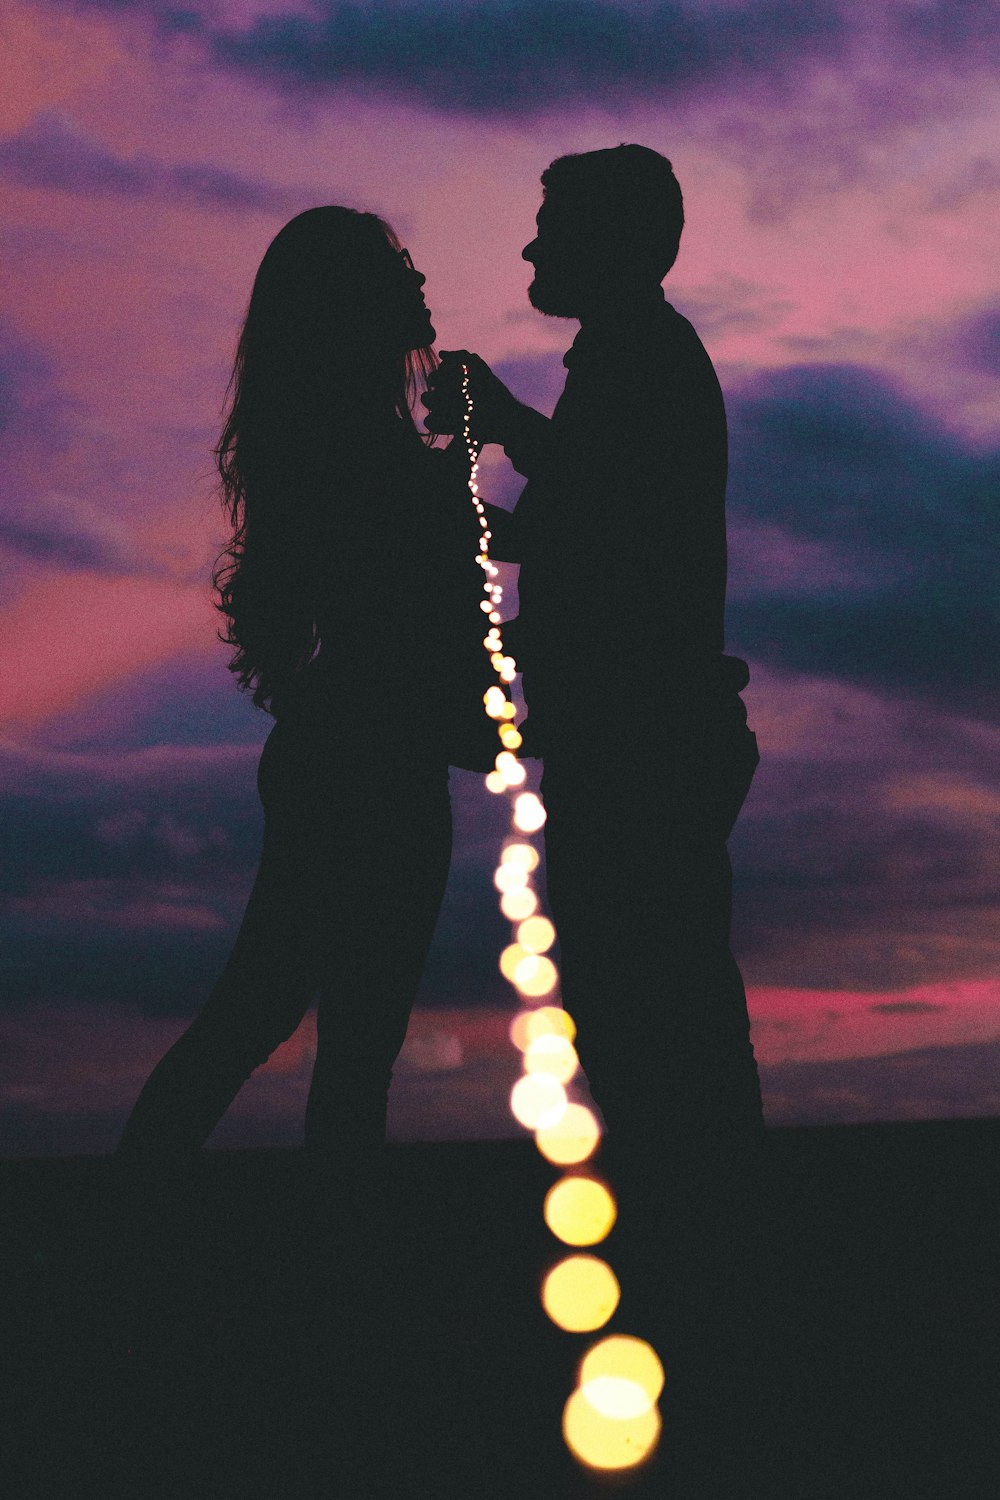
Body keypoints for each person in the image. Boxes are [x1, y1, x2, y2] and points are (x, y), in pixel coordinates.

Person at [423, 146, 767, 1345]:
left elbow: (601, 526)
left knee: (650, 1031)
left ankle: (703, 1301)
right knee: (661, 1026)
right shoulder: (634, 362)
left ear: (615, 244)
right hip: (649, 742)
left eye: (550, 228)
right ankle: (710, 1289)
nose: (528, 250)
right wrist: (498, 452)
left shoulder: (641, 361)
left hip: (644, 747)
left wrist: (498, 437)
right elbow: (591, 526)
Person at [115, 207, 493, 1217]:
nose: (419, 280)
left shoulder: (347, 439)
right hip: (372, 762)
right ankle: (273, 1250)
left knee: (278, 1015)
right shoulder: (360, 450)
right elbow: (432, 581)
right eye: (397, 269)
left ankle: (149, 1221)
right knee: (310, 1027)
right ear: (357, 306)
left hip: (352, 752)